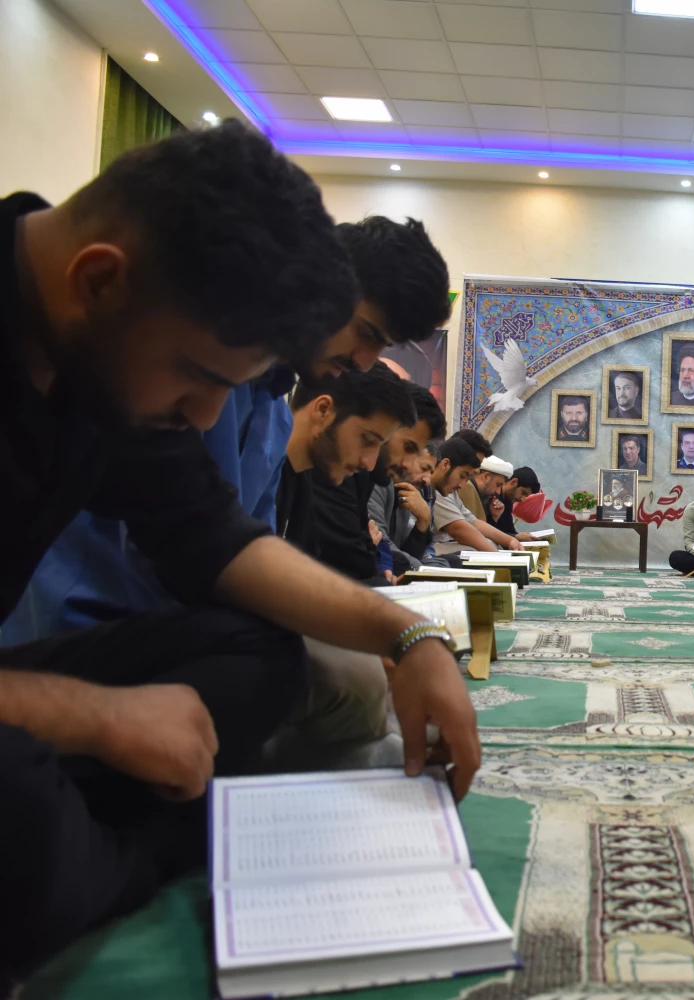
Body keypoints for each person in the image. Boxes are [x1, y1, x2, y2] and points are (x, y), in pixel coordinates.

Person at [0, 122, 478, 984]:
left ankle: (122, 836)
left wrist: (408, 634)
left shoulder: (101, 351)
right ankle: (130, 846)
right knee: (22, 811)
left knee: (260, 651)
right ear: (98, 279)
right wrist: (97, 717)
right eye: (199, 378)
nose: (206, 419)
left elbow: (211, 539)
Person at [4, 213, 452, 643]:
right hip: (92, 623)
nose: (365, 362)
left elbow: (246, 551)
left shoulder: (273, 413)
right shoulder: (180, 367)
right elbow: (183, 557)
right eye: (366, 333)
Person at [275, 364, 416, 570]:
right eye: (367, 440)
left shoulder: (302, 480)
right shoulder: (257, 471)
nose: (369, 463)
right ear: (323, 410)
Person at [368, 381, 447, 578]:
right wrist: (423, 573)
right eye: (409, 448)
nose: (427, 480)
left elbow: (399, 553)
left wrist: (423, 522)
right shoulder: (377, 477)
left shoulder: (405, 489)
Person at [434, 449, 526, 555]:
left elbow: (473, 521)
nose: (498, 492)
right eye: (498, 485)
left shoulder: (457, 490)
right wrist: (499, 557)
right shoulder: (466, 488)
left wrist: (510, 540)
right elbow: (459, 528)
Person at [486, 466, 543, 541]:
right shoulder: (490, 495)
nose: (523, 500)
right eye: (523, 493)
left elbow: (508, 530)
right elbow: (484, 531)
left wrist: (520, 537)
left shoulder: (507, 501)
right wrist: (515, 537)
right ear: (513, 482)